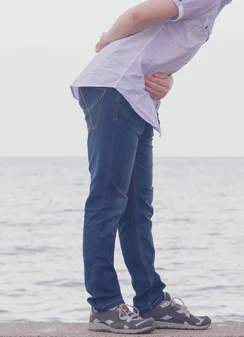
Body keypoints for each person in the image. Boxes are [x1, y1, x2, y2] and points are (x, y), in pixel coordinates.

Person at [70, 0, 232, 334]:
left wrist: (166, 80)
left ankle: (151, 301)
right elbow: (138, 15)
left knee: (136, 208)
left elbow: (157, 44)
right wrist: (104, 42)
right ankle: (104, 305)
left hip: (136, 97)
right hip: (115, 88)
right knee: (107, 200)